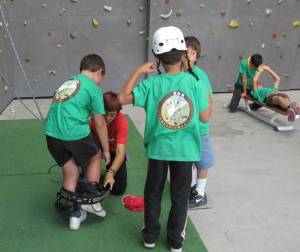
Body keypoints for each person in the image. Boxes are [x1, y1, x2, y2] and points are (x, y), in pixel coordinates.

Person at [118, 26, 211, 252]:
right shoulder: (195, 83)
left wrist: (140, 70)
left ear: (157, 58)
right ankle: (175, 241)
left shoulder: (151, 84)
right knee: (180, 197)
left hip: (158, 149)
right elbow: (205, 116)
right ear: (183, 55)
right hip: (186, 151)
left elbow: (121, 97)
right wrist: (201, 87)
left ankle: (150, 236)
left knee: (153, 193)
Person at [44, 54, 110, 230]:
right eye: (101, 78)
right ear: (99, 72)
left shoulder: (68, 82)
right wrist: (106, 150)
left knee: (71, 171)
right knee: (95, 156)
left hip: (51, 135)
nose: (100, 82)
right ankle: (90, 200)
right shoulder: (93, 89)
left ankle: (74, 217)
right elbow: (100, 123)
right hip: (73, 134)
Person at [182, 36, 214, 209]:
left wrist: (204, 121)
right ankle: (192, 185)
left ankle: (200, 193)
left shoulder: (200, 76)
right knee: (190, 158)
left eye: (189, 53)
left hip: (199, 129)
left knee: (202, 161)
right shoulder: (180, 75)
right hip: (185, 128)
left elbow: (209, 101)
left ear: (195, 55)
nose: (185, 56)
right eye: (182, 52)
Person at [90, 91, 128, 195]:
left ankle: (106, 173)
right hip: (95, 148)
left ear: (118, 112)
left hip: (113, 150)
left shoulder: (121, 122)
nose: (107, 118)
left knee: (118, 189)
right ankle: (86, 173)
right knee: (88, 183)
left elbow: (120, 152)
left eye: (112, 115)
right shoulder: (92, 119)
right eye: (105, 113)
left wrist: (111, 172)